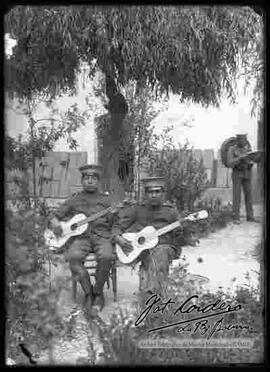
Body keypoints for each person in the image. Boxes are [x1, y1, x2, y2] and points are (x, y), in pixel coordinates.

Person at [48, 164, 115, 312]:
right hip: (80, 238)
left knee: (106, 256)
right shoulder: (74, 200)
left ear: (98, 181)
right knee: (73, 257)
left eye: (93, 178)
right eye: (86, 178)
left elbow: (115, 222)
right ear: (82, 180)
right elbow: (54, 215)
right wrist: (55, 223)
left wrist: (115, 234)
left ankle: (98, 293)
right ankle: (88, 293)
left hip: (101, 236)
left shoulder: (107, 201)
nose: (90, 181)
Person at [112, 177, 182, 298]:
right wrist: (118, 238)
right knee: (150, 260)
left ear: (163, 193)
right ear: (146, 194)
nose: (154, 195)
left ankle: (151, 294)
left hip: (164, 247)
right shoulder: (138, 209)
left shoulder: (171, 211)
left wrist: (181, 230)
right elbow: (119, 226)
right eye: (150, 192)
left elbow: (180, 237)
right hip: (143, 249)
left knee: (159, 253)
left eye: (157, 191)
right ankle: (150, 297)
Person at [227, 134, 258, 224]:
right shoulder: (232, 149)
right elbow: (229, 163)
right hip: (237, 173)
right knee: (236, 195)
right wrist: (240, 158)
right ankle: (236, 217)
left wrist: (254, 159)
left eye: (245, 139)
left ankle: (250, 216)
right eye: (241, 139)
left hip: (247, 172)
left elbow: (251, 158)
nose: (243, 141)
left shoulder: (248, 147)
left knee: (249, 195)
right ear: (237, 140)